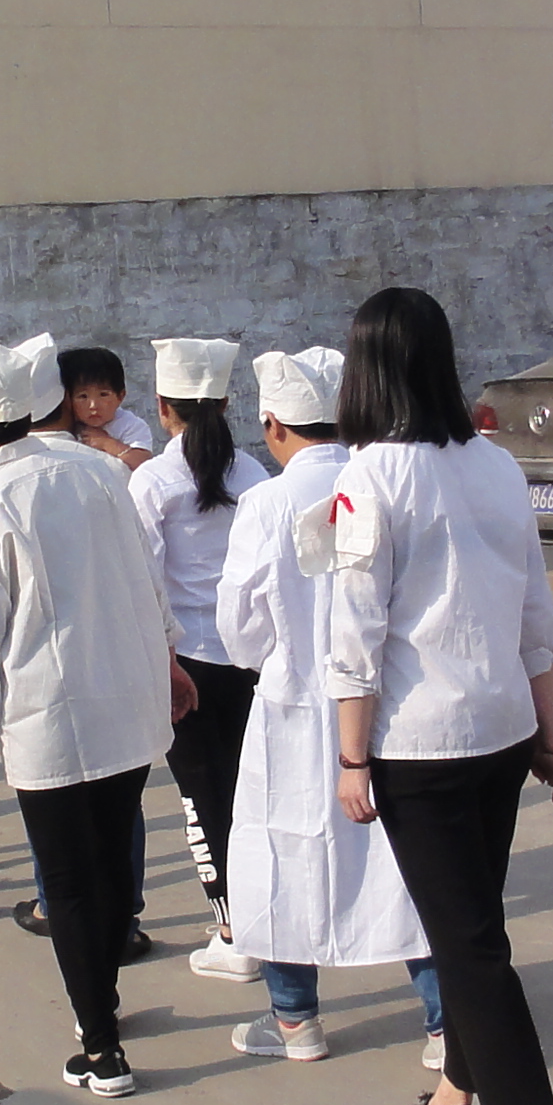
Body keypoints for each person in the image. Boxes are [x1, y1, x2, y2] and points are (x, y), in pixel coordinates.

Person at [326, 286, 553, 1105]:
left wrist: (351, 759)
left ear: (366, 370)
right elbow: (535, 609)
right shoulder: (497, 465)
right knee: (471, 926)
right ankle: (455, 1093)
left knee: (469, 946)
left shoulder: (368, 478)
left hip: (421, 743)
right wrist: (547, 729)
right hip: (501, 729)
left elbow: (356, 632)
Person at [0, 334, 190, 1100]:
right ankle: (102, 1001)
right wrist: (170, 660)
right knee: (110, 861)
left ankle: (103, 1047)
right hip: (124, 694)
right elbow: (147, 578)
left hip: (50, 710)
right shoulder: (100, 472)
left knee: (68, 880)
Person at [213, 345, 443, 1066]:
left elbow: (239, 626)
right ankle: (445, 1024)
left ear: (273, 425)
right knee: (404, 861)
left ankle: (296, 1020)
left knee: (280, 853)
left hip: (293, 705)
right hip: (382, 703)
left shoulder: (266, 503)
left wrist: (280, 655)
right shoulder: (383, 481)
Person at [128, 337, 270, 984]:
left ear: (163, 407)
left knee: (202, 799)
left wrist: (160, 666)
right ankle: (265, 917)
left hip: (186, 663)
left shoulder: (154, 481)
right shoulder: (253, 473)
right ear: (226, 403)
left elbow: (144, 582)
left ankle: (234, 932)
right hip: (253, 659)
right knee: (251, 793)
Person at [55, 344, 157, 462]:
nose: (93, 406)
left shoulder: (130, 425)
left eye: (103, 394)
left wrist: (107, 443)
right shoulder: (66, 425)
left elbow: (142, 462)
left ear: (120, 396)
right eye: (83, 396)